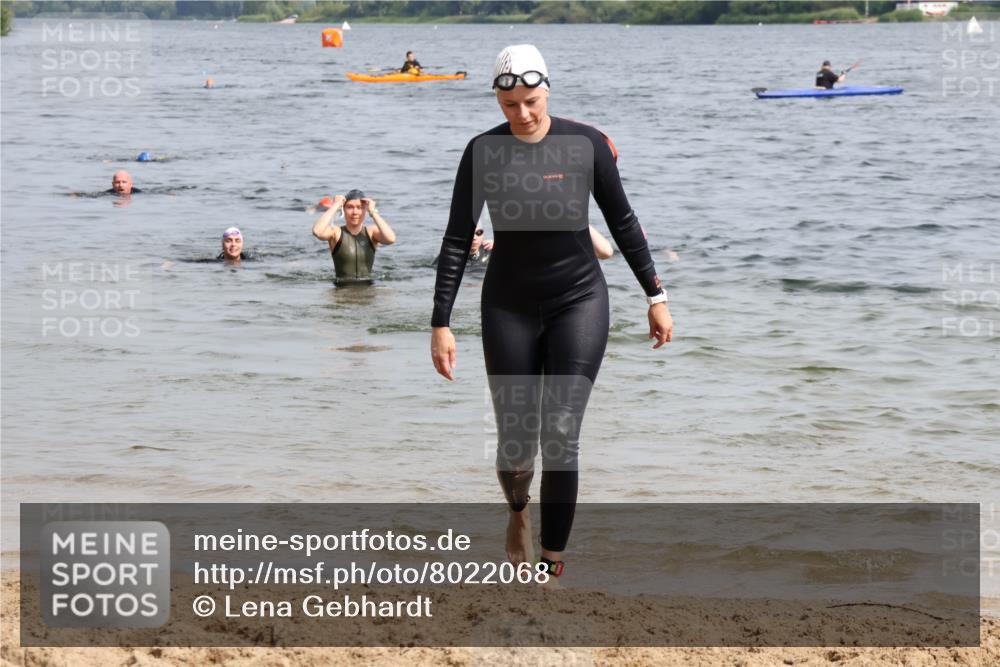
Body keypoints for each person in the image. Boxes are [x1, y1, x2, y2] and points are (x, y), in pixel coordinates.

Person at [430, 44, 673, 584]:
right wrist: (440, 322)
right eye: (510, 104)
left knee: (561, 431)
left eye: (532, 101)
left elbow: (626, 223)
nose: (523, 114)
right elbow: (454, 240)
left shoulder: (585, 145)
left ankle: (552, 563)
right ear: (497, 100)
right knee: (517, 445)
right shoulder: (482, 153)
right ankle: (518, 513)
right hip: (508, 305)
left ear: (548, 92)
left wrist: (655, 296)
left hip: (579, 298)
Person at [311, 189, 396, 282]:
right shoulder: (336, 232)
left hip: (368, 292)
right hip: (341, 293)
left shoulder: (372, 232)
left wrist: (372, 211)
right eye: (350, 207)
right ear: (343, 209)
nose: (355, 212)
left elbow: (391, 239)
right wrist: (335, 205)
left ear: (365, 209)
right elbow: (317, 231)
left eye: (360, 207)